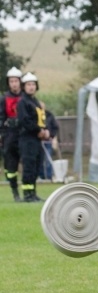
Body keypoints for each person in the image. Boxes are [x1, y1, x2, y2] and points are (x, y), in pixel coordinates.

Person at [16, 72, 48, 202]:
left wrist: (45, 130)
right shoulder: (23, 102)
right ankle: (27, 194)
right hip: (27, 139)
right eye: (28, 84)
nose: (31, 87)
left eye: (33, 84)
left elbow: (41, 119)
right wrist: (38, 130)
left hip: (36, 139)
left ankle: (33, 192)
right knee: (29, 166)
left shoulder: (35, 102)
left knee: (36, 165)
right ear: (24, 86)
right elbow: (25, 121)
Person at [0, 66, 23, 201]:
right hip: (10, 133)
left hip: (24, 133)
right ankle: (15, 192)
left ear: (20, 82)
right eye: (11, 81)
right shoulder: (4, 98)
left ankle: (29, 192)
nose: (14, 84)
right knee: (11, 164)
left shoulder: (25, 97)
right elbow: (1, 117)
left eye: (16, 81)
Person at [38, 101, 59, 181]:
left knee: (48, 158)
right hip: (38, 141)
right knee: (39, 159)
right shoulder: (34, 115)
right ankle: (41, 176)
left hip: (47, 141)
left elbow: (55, 127)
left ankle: (49, 176)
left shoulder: (49, 115)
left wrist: (51, 135)